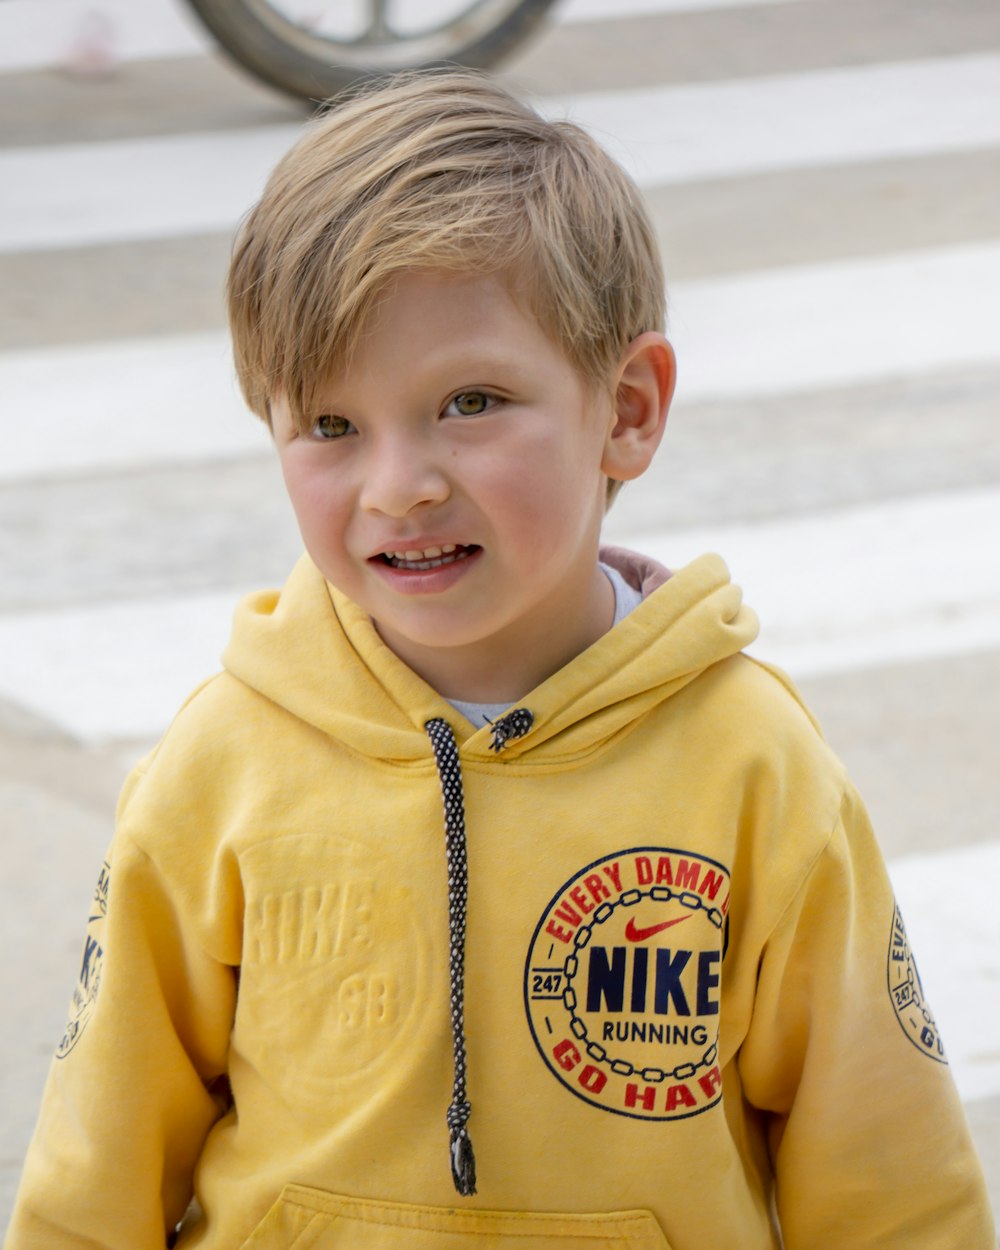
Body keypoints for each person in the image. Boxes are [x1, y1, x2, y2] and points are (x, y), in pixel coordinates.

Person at [6, 70, 994, 1250]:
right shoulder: (221, 761)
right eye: (329, 425)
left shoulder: (752, 767)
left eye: (469, 401)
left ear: (626, 406)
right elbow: (92, 1171)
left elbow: (889, 1181)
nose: (398, 485)